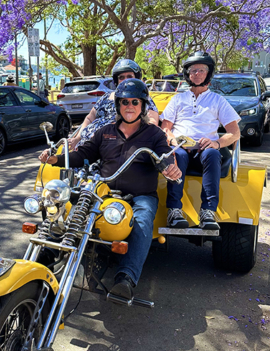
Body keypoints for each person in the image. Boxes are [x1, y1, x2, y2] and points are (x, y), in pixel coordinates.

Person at [39, 79, 182, 300]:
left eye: (135, 102)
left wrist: (171, 169)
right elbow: (83, 154)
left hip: (140, 195)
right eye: (125, 102)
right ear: (118, 106)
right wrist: (55, 158)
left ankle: (126, 277)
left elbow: (165, 157)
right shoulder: (106, 131)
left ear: (143, 106)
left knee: (143, 221)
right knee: (70, 207)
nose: (130, 106)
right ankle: (51, 251)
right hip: (105, 189)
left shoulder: (153, 135)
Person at [160, 51, 241, 230]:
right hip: (181, 148)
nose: (196, 74)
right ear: (187, 75)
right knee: (177, 155)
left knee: (213, 154)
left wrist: (216, 143)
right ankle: (174, 211)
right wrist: (173, 139)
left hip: (205, 151)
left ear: (209, 73)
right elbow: (165, 128)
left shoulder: (218, 100)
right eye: (193, 70)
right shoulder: (178, 99)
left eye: (201, 70)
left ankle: (208, 213)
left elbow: (234, 133)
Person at [68, 59, 160, 150]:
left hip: (113, 147)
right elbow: (89, 118)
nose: (125, 80)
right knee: (64, 152)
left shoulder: (143, 98)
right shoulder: (106, 97)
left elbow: (152, 122)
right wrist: (77, 138)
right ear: (116, 81)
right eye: (121, 77)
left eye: (129, 76)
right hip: (87, 144)